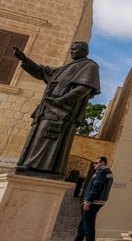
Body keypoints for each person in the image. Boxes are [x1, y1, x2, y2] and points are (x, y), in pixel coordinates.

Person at [12, 41, 100, 178]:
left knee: (46, 135)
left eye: (75, 49)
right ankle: (31, 165)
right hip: (48, 108)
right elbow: (42, 72)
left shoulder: (90, 66)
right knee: (38, 134)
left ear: (84, 51)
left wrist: (63, 99)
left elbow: (84, 88)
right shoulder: (66, 68)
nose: (71, 51)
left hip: (62, 111)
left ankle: (36, 166)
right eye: (71, 49)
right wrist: (25, 60)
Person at [62, 157, 112, 241]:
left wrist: (87, 202)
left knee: (88, 227)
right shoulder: (105, 172)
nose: (94, 165)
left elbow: (96, 188)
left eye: (96, 163)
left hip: (93, 202)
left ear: (102, 163)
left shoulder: (102, 172)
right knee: (82, 226)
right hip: (96, 202)